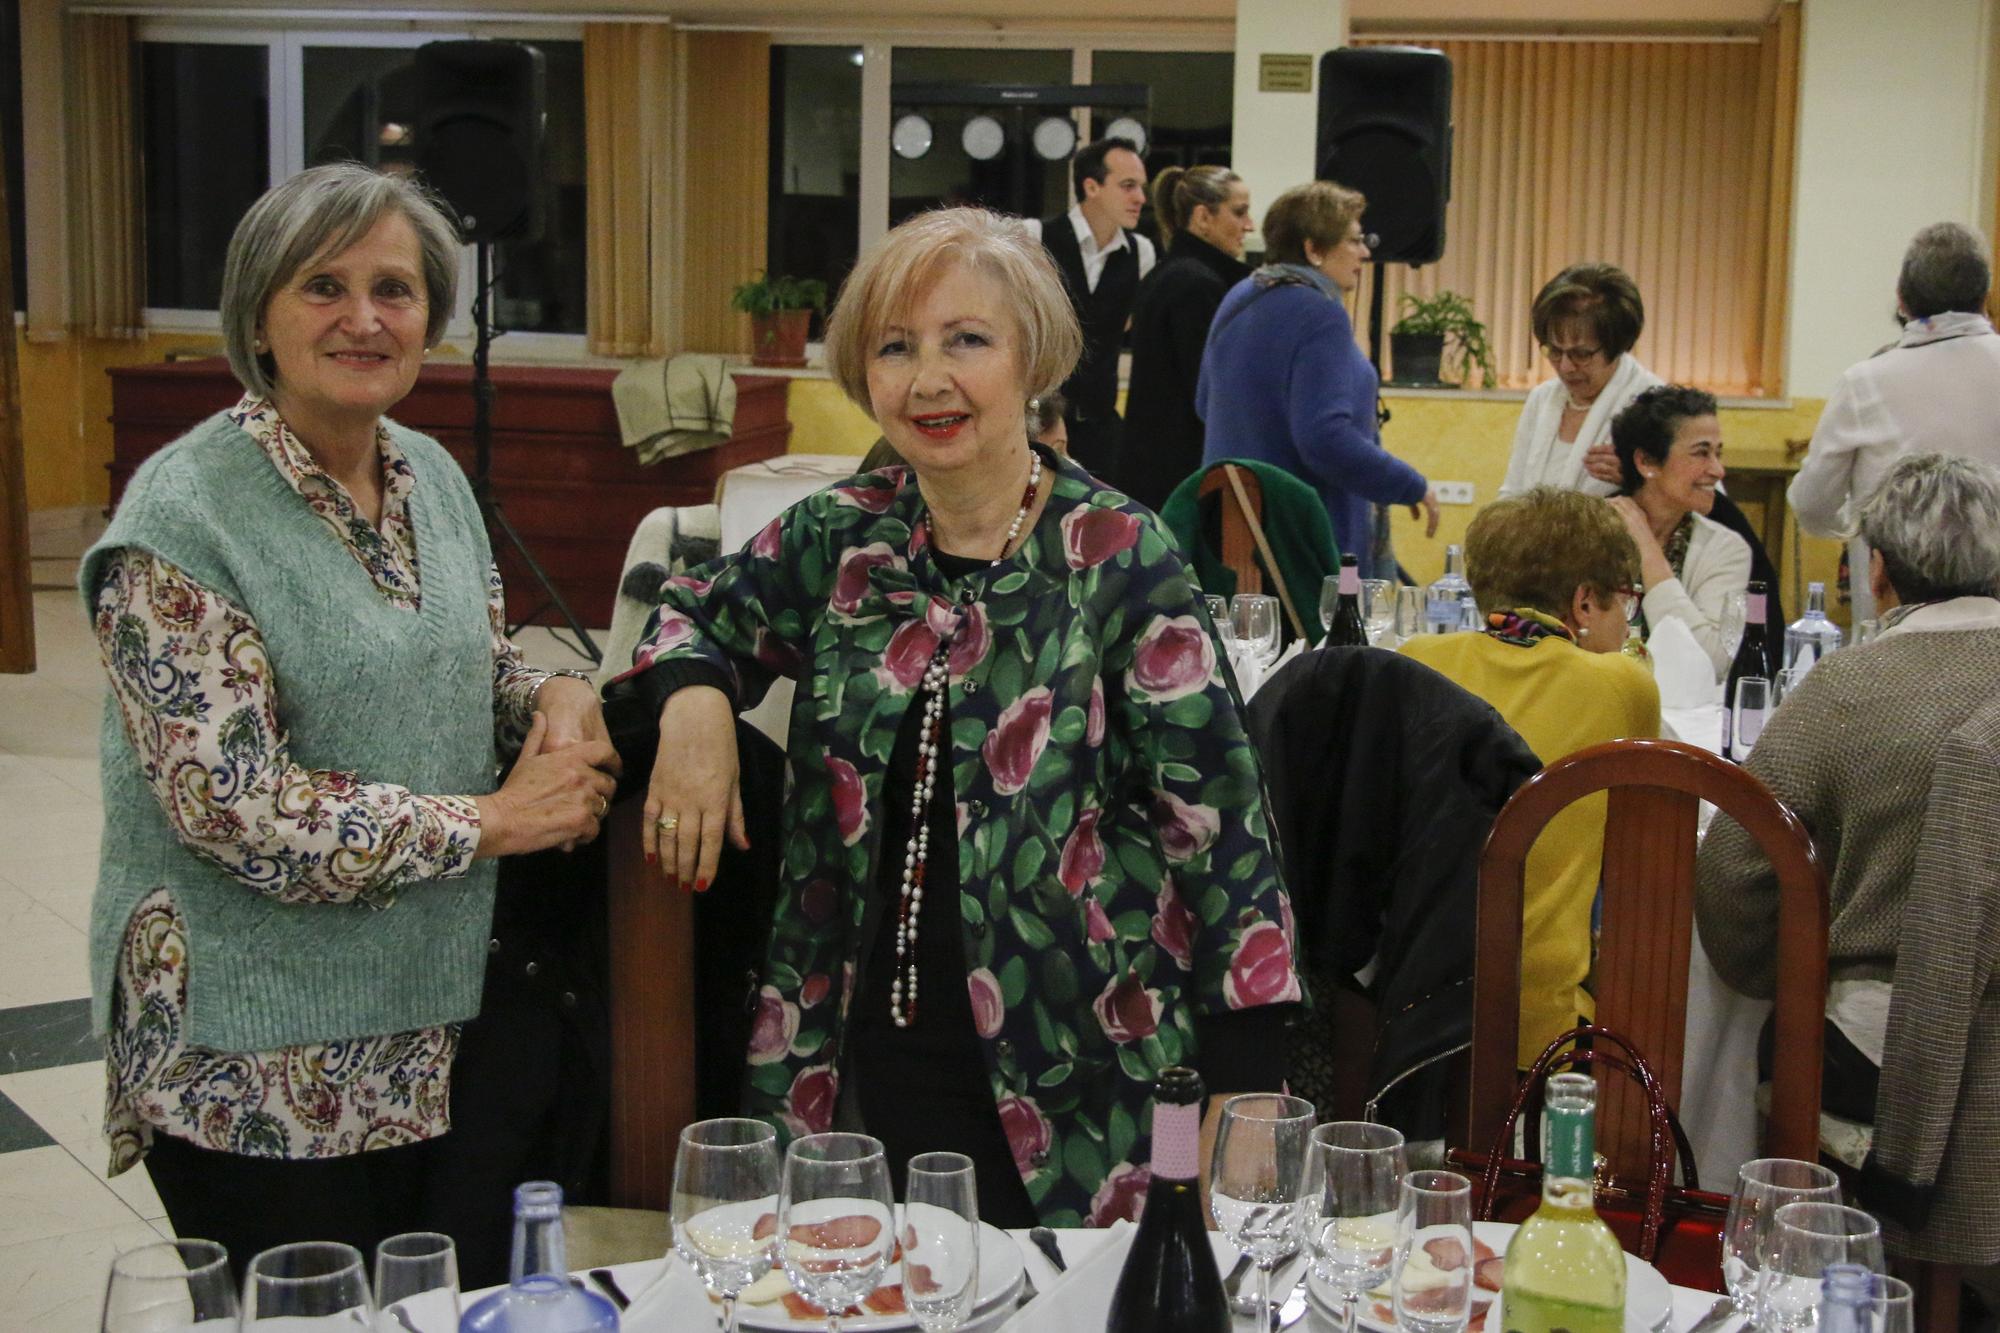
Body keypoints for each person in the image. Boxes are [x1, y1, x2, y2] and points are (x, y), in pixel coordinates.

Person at [622, 206, 1301, 1228]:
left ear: (1032, 357)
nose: (926, 380)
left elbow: (1221, 830)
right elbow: (683, 616)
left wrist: (1242, 1090)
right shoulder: (844, 535)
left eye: (966, 341)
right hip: (852, 1058)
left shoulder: (1120, 552)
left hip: (1084, 1070)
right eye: (894, 348)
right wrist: (695, 707)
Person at [80, 163, 620, 1270]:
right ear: (260, 319)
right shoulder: (181, 519)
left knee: (436, 1298)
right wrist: (494, 822)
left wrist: (557, 691)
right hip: (253, 1035)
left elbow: (469, 668)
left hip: (433, 1004)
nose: (365, 318)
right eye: (323, 286)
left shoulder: (427, 471)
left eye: (396, 288)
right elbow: (235, 809)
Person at [1697, 452, 2000, 1134]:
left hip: (1880, 1048)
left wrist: (1784, 973)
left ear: (1879, 570)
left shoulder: (1845, 688)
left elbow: (1732, 874)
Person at [1398, 488, 1659, 1066]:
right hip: (1540, 1023)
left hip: (1410, 1009)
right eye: (1626, 603)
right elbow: (1640, 852)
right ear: (1585, 603)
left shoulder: (1415, 657)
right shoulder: (1622, 683)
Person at [1196, 181, 1439, 579]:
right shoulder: (1319, 311)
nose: (1364, 252)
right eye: (1353, 240)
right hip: (1304, 540)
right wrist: (1409, 484)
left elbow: (1205, 404)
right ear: (1314, 249)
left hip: (1232, 529)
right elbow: (1324, 437)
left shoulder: (1240, 295)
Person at [1789, 222, 2000, 622]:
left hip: (1895, 626)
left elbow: (1813, 508)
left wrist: (1866, 520)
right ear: (1985, 296)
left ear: (1901, 301)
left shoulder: (1865, 383)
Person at [1116, 164, 1253, 511]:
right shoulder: (1197, 285)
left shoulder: (1170, 274)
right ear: (1203, 217)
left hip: (1157, 475)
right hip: (1183, 480)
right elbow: (1211, 395)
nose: (1248, 225)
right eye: (1239, 213)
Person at [1023, 138, 1156, 478]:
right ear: (1091, 186)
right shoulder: (1035, 236)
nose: (1140, 197)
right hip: (1039, 424)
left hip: (1101, 426)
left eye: (1141, 187)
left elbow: (1122, 324)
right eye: (1128, 186)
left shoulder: (1141, 252)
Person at [1605, 385, 1752, 679]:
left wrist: (1647, 548)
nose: (1718, 470)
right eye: (1701, 453)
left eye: (1718, 454)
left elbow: (1710, 664)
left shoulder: (1725, 548)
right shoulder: (1587, 530)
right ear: (1646, 462)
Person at [1499, 263, 1660, 497]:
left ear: (1619, 345)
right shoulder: (1542, 399)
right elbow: (1513, 490)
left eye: (1581, 354)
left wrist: (1640, 481)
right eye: (1554, 350)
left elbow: (1699, 506)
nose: (1565, 367)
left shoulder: (1654, 406)